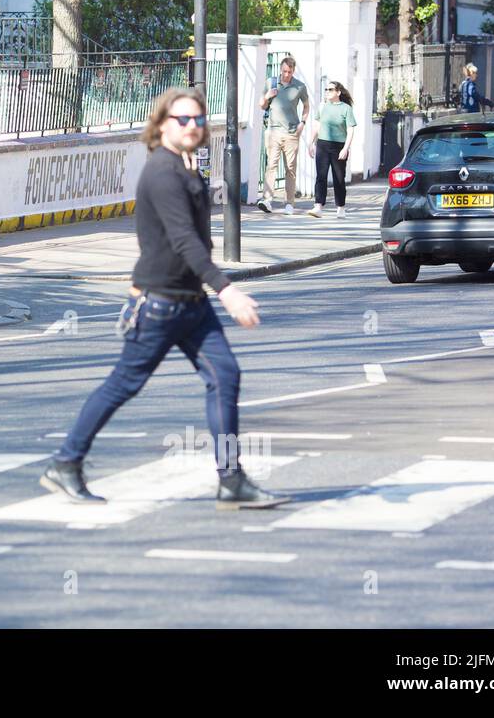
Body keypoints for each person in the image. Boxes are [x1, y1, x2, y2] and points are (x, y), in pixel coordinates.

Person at [41, 86, 292, 510]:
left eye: (198, 119)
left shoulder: (184, 167)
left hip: (190, 304)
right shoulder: (162, 172)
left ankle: (231, 481)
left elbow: (196, 240)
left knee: (225, 376)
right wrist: (227, 289)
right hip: (159, 304)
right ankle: (65, 463)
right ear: (161, 125)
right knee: (123, 384)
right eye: (182, 119)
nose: (193, 126)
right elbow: (185, 243)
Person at [256, 56, 309, 215]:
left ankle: (289, 203)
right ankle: (267, 200)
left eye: (289, 72)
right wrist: (267, 96)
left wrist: (303, 123)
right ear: (281, 69)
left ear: (293, 71)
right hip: (273, 131)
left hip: (292, 132)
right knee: (271, 165)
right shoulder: (271, 82)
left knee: (290, 168)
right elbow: (261, 105)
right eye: (284, 71)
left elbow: (306, 107)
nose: (286, 74)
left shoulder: (299, 87)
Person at [307, 80, 357, 219]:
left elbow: (350, 129)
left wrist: (346, 148)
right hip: (322, 144)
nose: (327, 92)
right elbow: (316, 125)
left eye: (330, 89)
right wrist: (311, 143)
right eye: (326, 89)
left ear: (338, 92)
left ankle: (340, 207)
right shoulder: (322, 106)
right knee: (321, 176)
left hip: (339, 146)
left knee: (339, 178)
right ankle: (318, 206)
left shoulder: (346, 108)